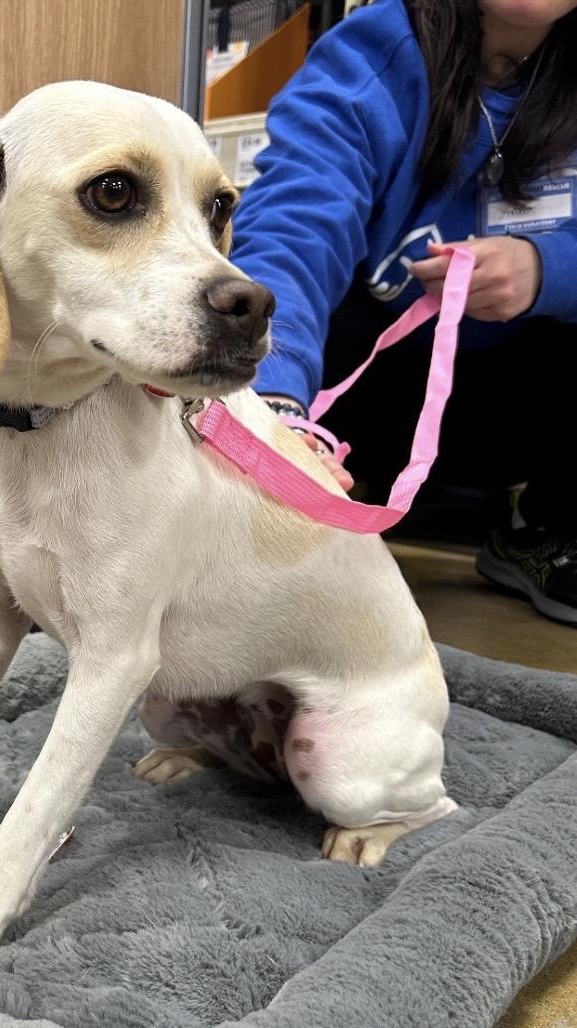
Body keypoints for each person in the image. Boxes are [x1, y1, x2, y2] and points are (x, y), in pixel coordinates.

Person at [231, 0, 577, 625]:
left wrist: (549, 270)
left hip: (522, 410)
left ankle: (549, 528)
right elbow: (292, 234)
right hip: (361, 408)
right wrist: (275, 411)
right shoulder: (373, 53)